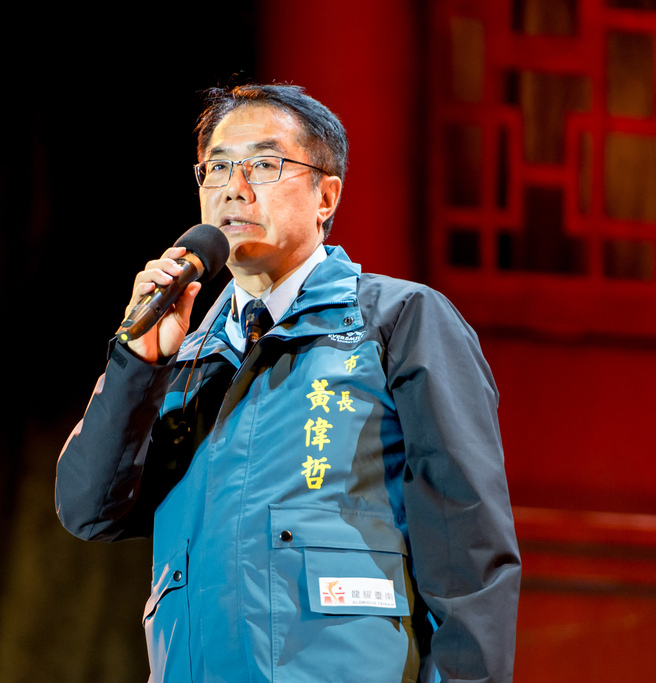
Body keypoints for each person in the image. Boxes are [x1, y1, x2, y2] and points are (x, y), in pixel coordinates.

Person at [55, 83, 520, 683]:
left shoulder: (396, 320)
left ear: (326, 196)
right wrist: (136, 363)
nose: (234, 187)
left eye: (264, 165)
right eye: (217, 167)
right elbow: (89, 510)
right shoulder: (182, 359)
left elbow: (467, 542)